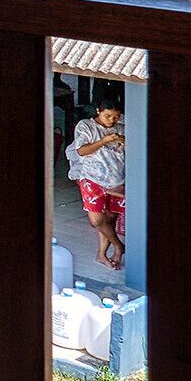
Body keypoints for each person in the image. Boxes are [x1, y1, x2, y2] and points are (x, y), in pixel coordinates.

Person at [67, 103, 127, 269]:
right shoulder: (86, 126)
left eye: (115, 117)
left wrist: (125, 143)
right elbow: (81, 151)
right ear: (98, 111)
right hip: (91, 178)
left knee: (110, 219)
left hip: (116, 179)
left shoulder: (122, 128)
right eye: (107, 116)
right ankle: (120, 246)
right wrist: (104, 140)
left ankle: (103, 254)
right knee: (97, 221)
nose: (111, 120)